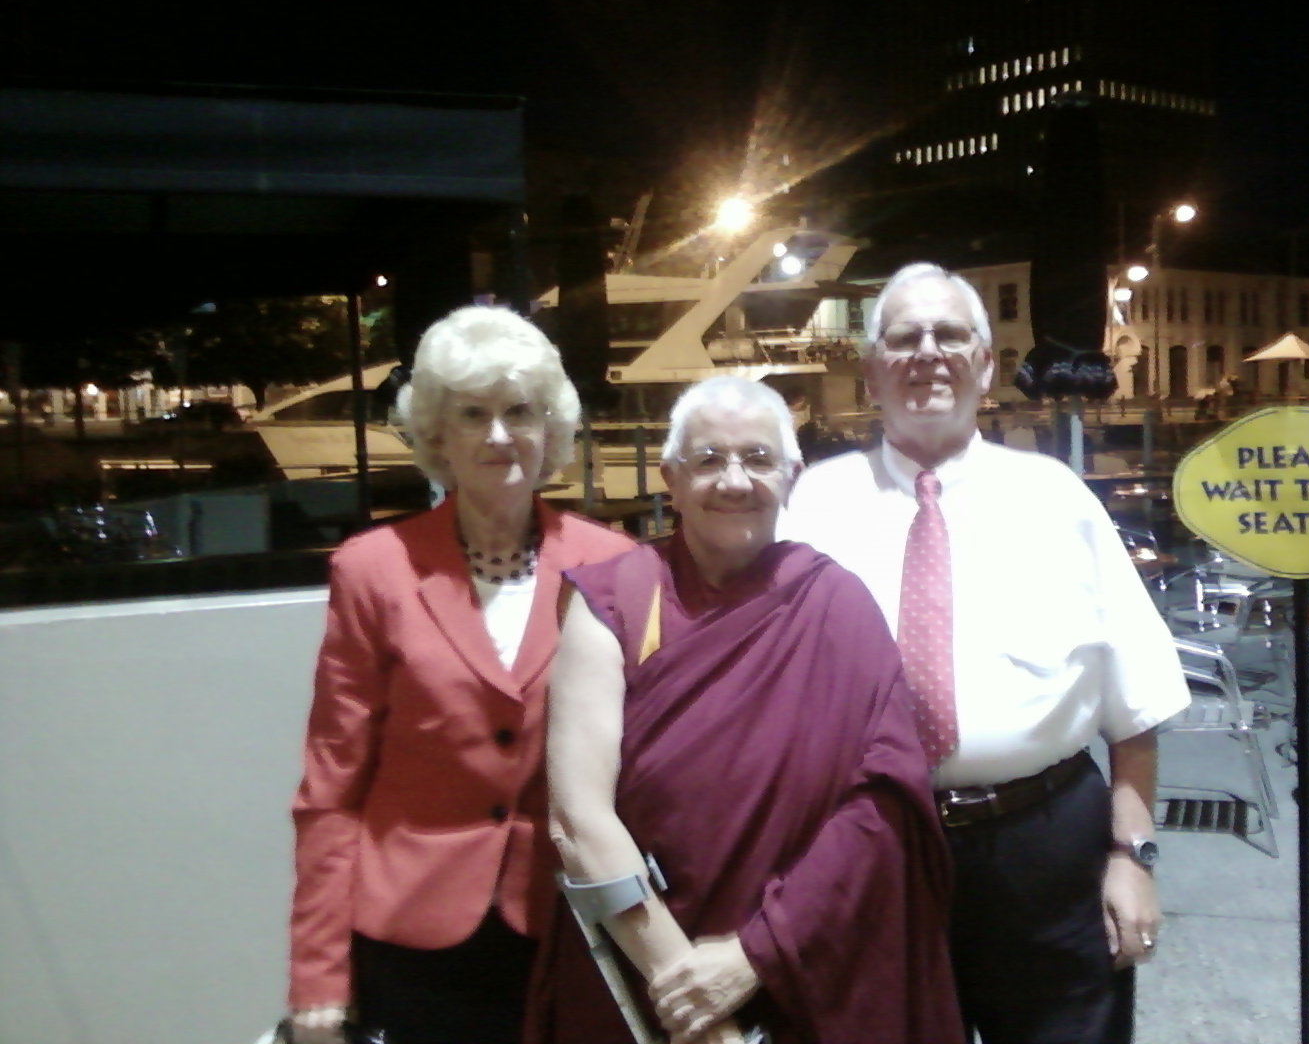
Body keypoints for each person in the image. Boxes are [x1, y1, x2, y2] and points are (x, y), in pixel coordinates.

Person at [780, 263, 1191, 1044]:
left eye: (950, 335)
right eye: (903, 338)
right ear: (871, 373)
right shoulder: (810, 507)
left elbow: (1135, 701)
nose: (927, 353)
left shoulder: (1057, 498)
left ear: (986, 365)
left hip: (1043, 846)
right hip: (872, 844)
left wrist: (1131, 855)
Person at [533, 375, 963, 1044]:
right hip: (645, 969)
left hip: (809, 963)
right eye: (707, 460)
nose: (734, 480)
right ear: (670, 478)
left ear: (792, 477)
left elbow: (880, 806)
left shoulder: (836, 604)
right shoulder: (617, 597)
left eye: (758, 459)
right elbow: (577, 817)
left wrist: (756, 954)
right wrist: (689, 996)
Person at [286, 305, 635, 1044]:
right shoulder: (372, 571)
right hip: (414, 941)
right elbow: (330, 790)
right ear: (438, 433)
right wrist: (319, 975)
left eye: (519, 411)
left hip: (568, 925)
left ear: (552, 429)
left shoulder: (612, 565)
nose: (500, 435)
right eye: (474, 414)